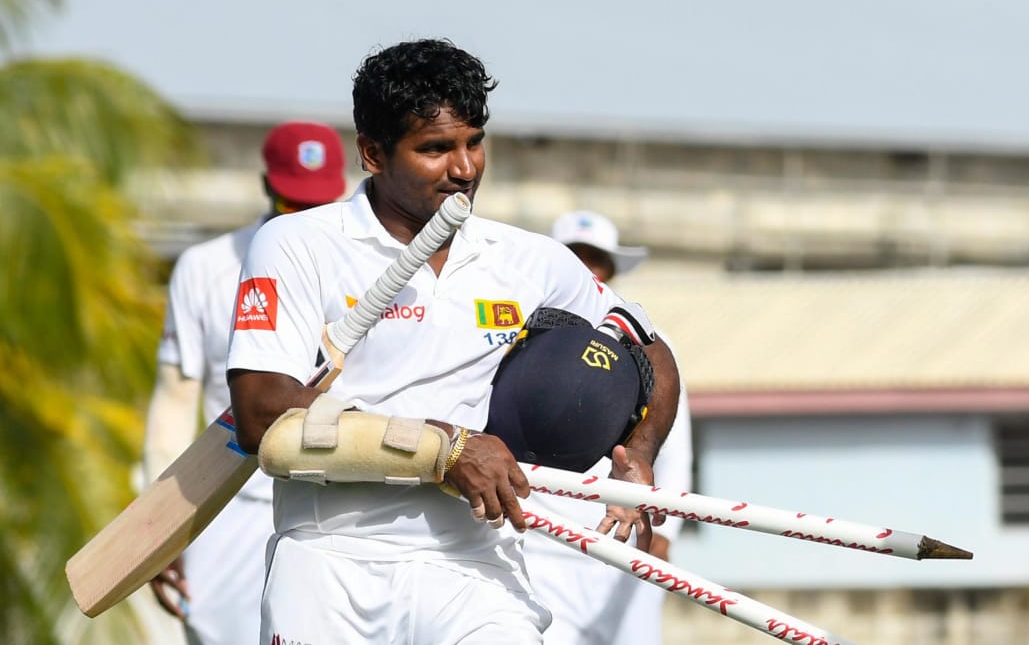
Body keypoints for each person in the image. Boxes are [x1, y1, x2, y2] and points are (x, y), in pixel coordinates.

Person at [225, 39, 683, 643]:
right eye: (435, 149)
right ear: (371, 152)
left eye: (473, 143)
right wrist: (446, 448)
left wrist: (639, 455)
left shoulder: (530, 260)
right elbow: (263, 417)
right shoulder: (298, 243)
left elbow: (649, 351)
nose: (464, 168)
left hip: (478, 566)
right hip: (331, 560)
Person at [144, 121, 349, 643]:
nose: (304, 221)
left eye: (317, 206)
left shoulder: (366, 268)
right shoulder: (205, 267)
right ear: (267, 186)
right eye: (293, 204)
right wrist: (157, 531)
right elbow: (173, 404)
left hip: (335, 503)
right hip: (229, 504)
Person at [525, 209, 694, 645]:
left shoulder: (656, 346)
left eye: (596, 258)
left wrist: (667, 532)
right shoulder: (527, 335)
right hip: (543, 541)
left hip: (627, 534)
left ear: (611, 268)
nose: (587, 270)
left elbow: (673, 448)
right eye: (574, 256)